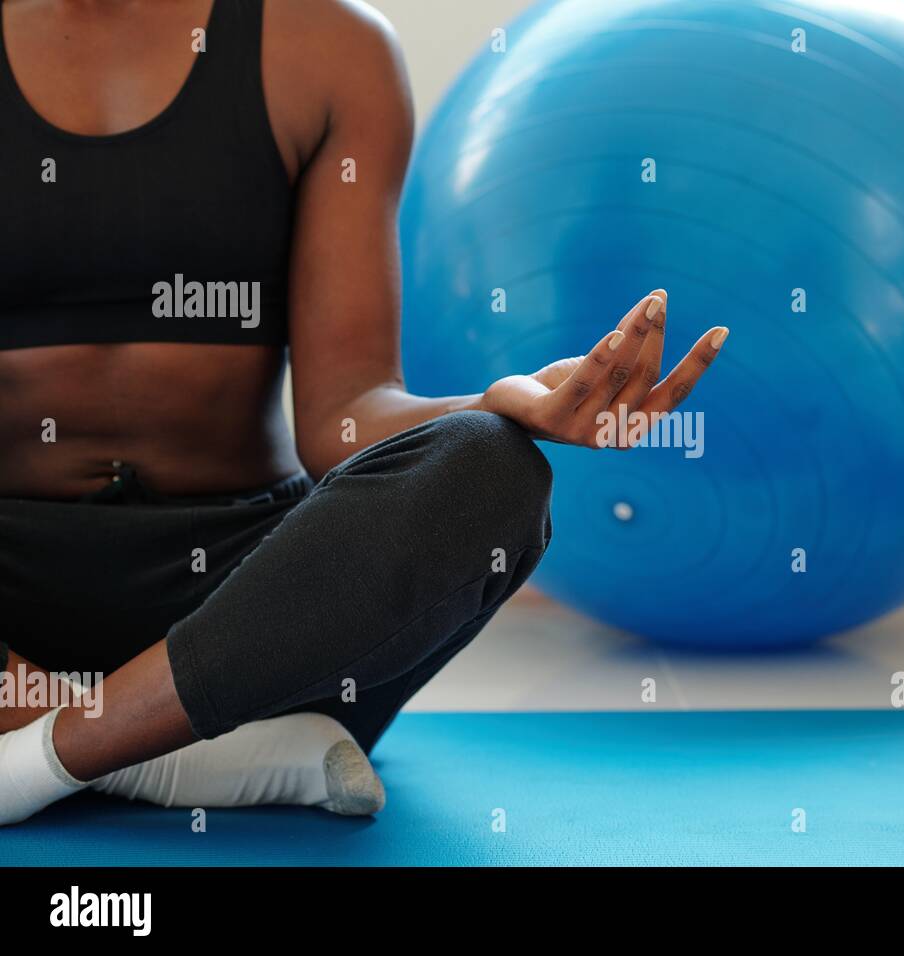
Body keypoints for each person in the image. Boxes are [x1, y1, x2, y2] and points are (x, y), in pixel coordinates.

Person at [0, 0, 727, 824]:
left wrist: (501, 405)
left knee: (490, 466)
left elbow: (342, 418)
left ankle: (48, 755)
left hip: (253, 606)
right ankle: (166, 760)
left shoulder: (331, 47)